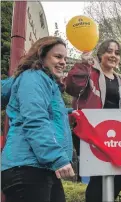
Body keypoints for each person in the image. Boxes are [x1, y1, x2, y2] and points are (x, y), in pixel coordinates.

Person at [1, 36, 75, 202]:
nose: (63, 62)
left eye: (65, 58)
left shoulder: (46, 82)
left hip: (41, 166)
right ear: (41, 56)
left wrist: (71, 113)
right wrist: (56, 157)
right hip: (27, 167)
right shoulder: (33, 77)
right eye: (58, 57)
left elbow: (47, 112)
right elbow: (35, 120)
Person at [65, 39, 121, 201]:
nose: (113, 55)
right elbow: (71, 87)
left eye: (117, 53)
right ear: (100, 54)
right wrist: (82, 65)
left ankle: (106, 197)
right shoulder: (89, 72)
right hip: (88, 131)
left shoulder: (120, 79)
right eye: (109, 51)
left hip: (114, 134)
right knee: (98, 174)